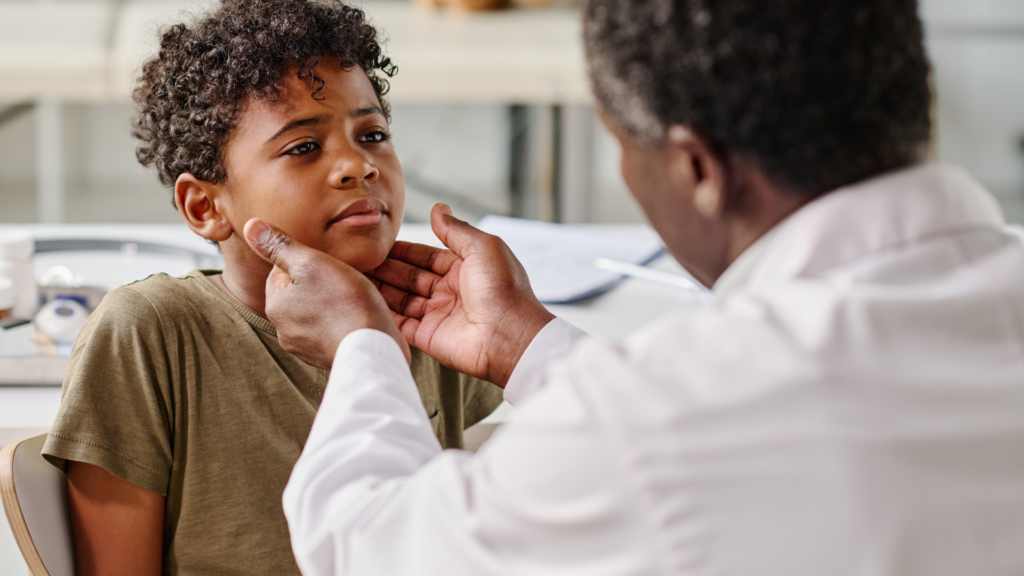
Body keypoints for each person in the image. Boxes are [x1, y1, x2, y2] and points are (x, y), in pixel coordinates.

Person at [240, 0, 1024, 574]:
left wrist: (363, 347)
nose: (358, 165)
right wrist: (533, 347)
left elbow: (369, 547)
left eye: (623, 149)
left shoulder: (659, 423)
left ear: (696, 170)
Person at [40, 1, 502, 574]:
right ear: (205, 205)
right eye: (304, 147)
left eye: (374, 133)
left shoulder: (429, 319)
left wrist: (511, 336)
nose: (358, 166)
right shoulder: (150, 333)